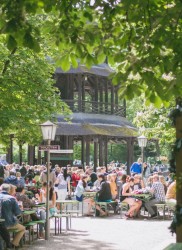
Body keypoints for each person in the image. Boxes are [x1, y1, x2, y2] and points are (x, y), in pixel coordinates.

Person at [0, 183, 25, 248]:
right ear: (9, 190)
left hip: (2, 224)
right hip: (7, 223)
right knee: (22, 228)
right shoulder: (11, 198)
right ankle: (14, 243)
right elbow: (18, 213)